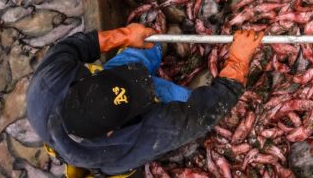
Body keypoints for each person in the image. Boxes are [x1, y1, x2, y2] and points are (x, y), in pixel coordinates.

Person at [26, 22, 264, 177]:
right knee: (184, 103)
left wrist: (124, 35)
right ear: (113, 131)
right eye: (133, 97)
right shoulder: (133, 140)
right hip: (114, 152)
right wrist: (238, 61)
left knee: (147, 45)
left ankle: (149, 55)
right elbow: (204, 112)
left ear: (80, 84)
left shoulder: (48, 83)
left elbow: (76, 45)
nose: (141, 83)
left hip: (103, 90)